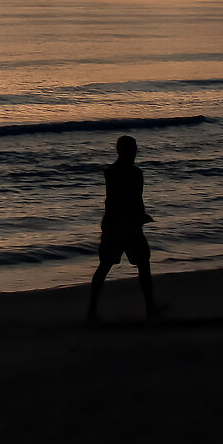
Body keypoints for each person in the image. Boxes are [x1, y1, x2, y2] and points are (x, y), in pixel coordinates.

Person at [86, 134, 158, 323]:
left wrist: (141, 215)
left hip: (128, 225)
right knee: (107, 266)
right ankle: (92, 311)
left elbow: (136, 199)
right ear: (121, 151)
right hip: (118, 226)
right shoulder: (116, 173)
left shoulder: (127, 172)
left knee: (142, 263)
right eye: (131, 149)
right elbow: (117, 201)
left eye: (134, 149)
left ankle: (150, 307)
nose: (134, 153)